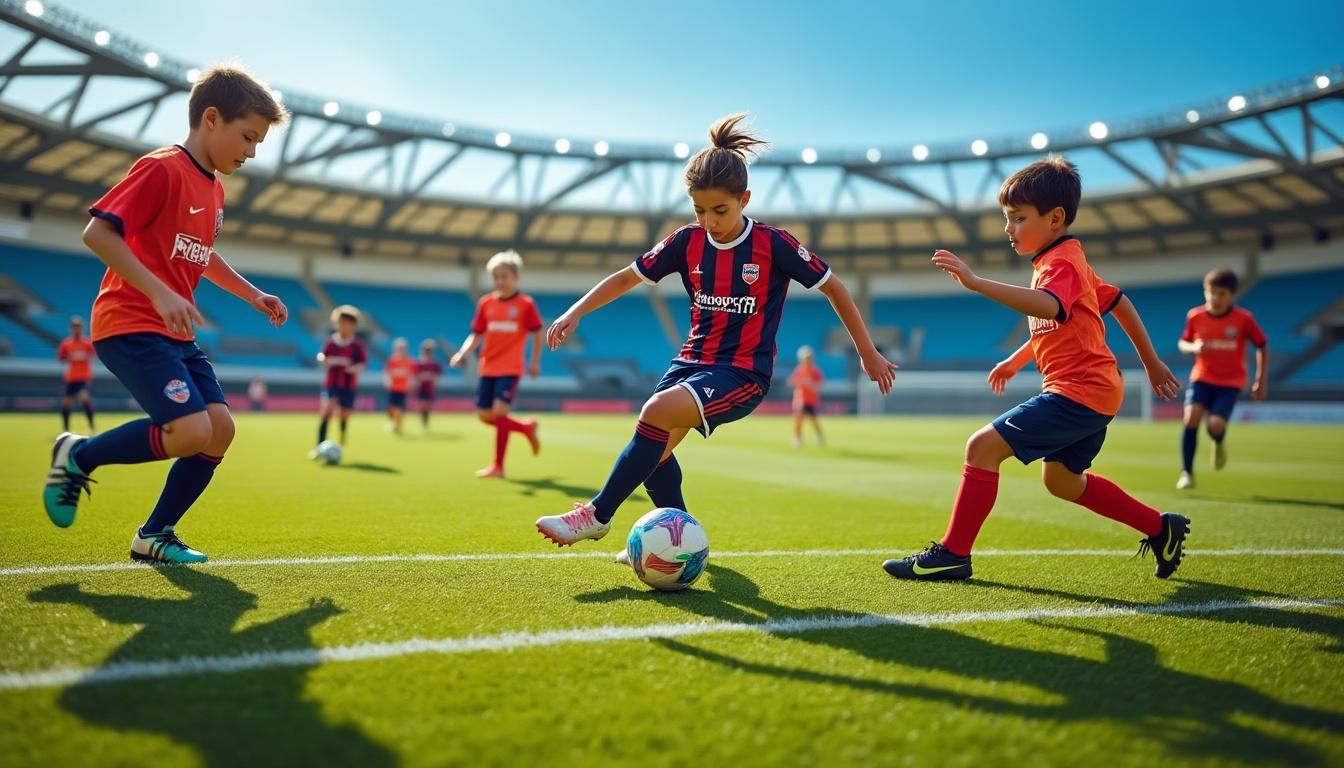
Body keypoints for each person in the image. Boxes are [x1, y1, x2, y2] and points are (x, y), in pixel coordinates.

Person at [535, 113, 897, 549]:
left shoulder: (773, 244)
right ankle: (681, 542)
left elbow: (834, 287)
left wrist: (867, 352)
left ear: (744, 198)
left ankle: (596, 515)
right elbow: (628, 277)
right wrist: (576, 311)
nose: (709, 221)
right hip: (689, 362)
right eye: (699, 210)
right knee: (654, 453)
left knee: (654, 414)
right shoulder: (686, 242)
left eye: (720, 210)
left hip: (742, 374)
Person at [882, 156, 1189, 582]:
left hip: (1079, 391)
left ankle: (953, 554)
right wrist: (1017, 360)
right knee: (1062, 482)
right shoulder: (1063, 260)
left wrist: (976, 283)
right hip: (1094, 392)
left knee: (981, 448)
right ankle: (1160, 527)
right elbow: (1112, 305)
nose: (1008, 228)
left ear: (1055, 218)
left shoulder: (1061, 263)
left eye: (1018, 218)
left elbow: (1051, 307)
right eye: (1006, 218)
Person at [43, 66, 288, 564]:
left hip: (174, 334)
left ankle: (154, 534)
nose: (251, 152)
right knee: (191, 431)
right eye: (247, 137)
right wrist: (159, 293)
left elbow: (203, 254)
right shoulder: (162, 168)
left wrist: (253, 295)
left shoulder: (214, 190)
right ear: (211, 119)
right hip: (131, 321)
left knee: (220, 430)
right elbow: (98, 234)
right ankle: (78, 456)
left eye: (258, 143)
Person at [450, 250, 542, 478]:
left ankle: (498, 466)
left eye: (504, 276)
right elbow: (476, 334)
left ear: (516, 277)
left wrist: (534, 362)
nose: (499, 281)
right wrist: (462, 353)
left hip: (510, 367)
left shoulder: (526, 304)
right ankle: (525, 428)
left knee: (500, 412)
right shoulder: (486, 303)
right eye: (495, 277)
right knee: (484, 415)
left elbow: (538, 333)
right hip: (488, 366)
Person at [1175, 268, 1268, 489]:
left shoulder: (1244, 319)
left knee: (1215, 425)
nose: (1215, 298)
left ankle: (1218, 440)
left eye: (1222, 294)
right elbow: (1182, 343)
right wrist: (1194, 347)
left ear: (1232, 295)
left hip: (1230, 382)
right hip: (1202, 376)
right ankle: (1187, 473)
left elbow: (1262, 345)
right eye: (1212, 292)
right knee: (1191, 417)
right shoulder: (1195, 316)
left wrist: (1260, 380)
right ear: (1205, 291)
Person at [314, 305, 366, 452]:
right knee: (327, 410)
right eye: (342, 323)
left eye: (348, 324)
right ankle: (319, 447)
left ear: (354, 326)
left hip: (348, 385)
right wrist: (326, 360)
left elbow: (362, 363)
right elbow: (321, 356)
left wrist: (353, 369)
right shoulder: (331, 342)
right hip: (332, 383)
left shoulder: (356, 345)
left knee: (344, 415)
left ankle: (342, 437)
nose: (345, 326)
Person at [56, 315, 96, 432]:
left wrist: (83, 356)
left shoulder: (87, 343)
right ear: (71, 328)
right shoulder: (66, 343)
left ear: (82, 328)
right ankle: (66, 429)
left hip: (84, 377)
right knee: (66, 403)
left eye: (78, 326)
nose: (76, 329)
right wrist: (69, 357)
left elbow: (93, 355)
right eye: (74, 327)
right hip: (71, 378)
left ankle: (91, 427)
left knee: (85, 398)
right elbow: (61, 358)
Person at [787, 345, 824, 448]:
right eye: (805, 358)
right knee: (798, 420)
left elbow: (820, 384)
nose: (807, 360)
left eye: (808, 358)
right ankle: (797, 438)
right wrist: (802, 382)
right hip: (800, 399)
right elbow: (791, 381)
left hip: (811, 400)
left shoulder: (815, 370)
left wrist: (812, 385)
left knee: (814, 420)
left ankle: (819, 435)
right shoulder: (799, 369)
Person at [383, 337, 416, 435]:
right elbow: (386, 372)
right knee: (391, 408)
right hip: (393, 388)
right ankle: (393, 422)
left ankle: (398, 426)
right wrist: (387, 381)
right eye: (399, 348)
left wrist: (411, 383)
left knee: (400, 409)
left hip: (403, 389)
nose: (401, 350)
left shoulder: (409, 361)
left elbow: (412, 374)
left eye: (403, 348)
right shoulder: (392, 360)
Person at [415, 338, 444, 431]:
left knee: (427, 405)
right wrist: (423, 377)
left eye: (429, 350)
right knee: (422, 405)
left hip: (430, 388)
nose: (428, 352)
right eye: (426, 350)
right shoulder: (419, 362)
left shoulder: (435, 363)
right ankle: (423, 422)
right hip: (421, 387)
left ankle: (425, 422)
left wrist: (432, 378)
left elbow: (438, 375)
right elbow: (415, 375)